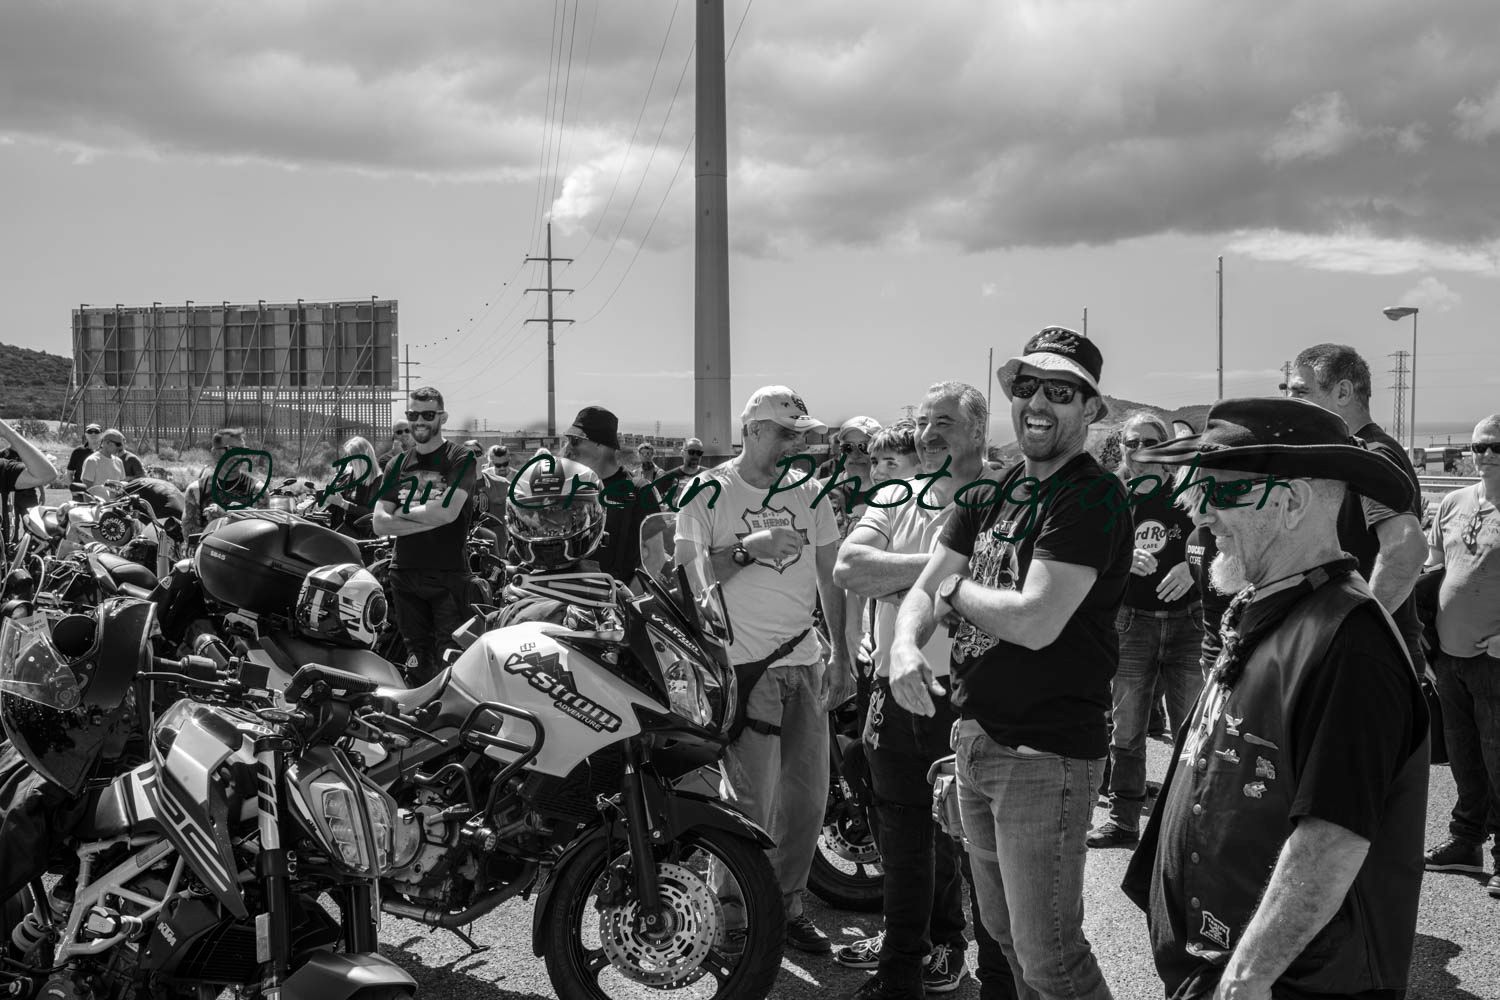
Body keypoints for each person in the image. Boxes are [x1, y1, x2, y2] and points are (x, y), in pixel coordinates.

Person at [1121, 396, 1429, 1000]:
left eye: (1218, 494)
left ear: (1289, 503)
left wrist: (1247, 976)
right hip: (1217, 963)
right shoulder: (1273, 604)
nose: (1199, 516)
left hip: (1290, 983)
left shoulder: (1350, 642)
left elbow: (1330, 841)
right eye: (1195, 494)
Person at [891, 326, 1127, 1000]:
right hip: (976, 741)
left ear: (1089, 409)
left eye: (1060, 390)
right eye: (1026, 387)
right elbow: (920, 591)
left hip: (1045, 757)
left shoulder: (1091, 496)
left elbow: (1035, 621)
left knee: (1051, 955)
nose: (1038, 403)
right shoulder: (988, 493)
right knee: (1004, 936)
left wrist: (950, 590)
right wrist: (907, 645)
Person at [833, 383, 1013, 1000]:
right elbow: (850, 570)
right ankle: (901, 972)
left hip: (973, 697)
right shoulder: (893, 493)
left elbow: (1013, 595)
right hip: (894, 687)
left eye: (946, 422)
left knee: (981, 854)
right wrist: (945, 573)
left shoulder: (1007, 497)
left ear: (978, 432)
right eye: (923, 422)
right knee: (902, 841)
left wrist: (903, 577)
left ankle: (995, 980)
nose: (929, 434)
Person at [675, 385, 851, 954]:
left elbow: (833, 578)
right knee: (752, 803)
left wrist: (843, 654)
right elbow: (687, 580)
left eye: (801, 434)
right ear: (752, 430)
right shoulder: (709, 491)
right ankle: (731, 919)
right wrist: (751, 547)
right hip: (745, 669)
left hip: (805, 663)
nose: (794, 444)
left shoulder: (813, 494)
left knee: (807, 801)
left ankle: (788, 906)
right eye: (784, 432)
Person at [1089, 411, 1204, 849]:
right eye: (1131, 442)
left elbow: (1216, 535)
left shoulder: (1188, 488)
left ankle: (1185, 824)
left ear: (1165, 444)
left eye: (1149, 441)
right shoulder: (1111, 492)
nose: (1139, 450)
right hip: (1131, 621)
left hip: (1188, 623)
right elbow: (1087, 551)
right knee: (1128, 729)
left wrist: (1190, 566)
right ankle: (1123, 820)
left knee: (1191, 729)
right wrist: (1122, 557)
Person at [1284, 344, 1427, 671]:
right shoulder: (1350, 453)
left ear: (1343, 392)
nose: (1291, 403)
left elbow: (1407, 549)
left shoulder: (1369, 455)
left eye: (1301, 392)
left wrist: (1358, 628)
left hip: (1368, 660)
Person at [1421, 413, 1500, 895]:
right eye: (1479, 447)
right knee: (1464, 758)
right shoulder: (1452, 502)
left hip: (1495, 660)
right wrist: (1425, 635)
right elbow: (1434, 570)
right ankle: (1466, 843)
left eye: (1496, 446)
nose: (1486, 454)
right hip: (1450, 658)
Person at [372, 386, 478, 683]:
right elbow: (379, 523)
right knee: (416, 661)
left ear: (442, 417)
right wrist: (430, 515)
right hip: (404, 571)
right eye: (413, 414)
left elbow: (448, 512)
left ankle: (450, 725)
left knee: (451, 661)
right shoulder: (397, 464)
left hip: (448, 575)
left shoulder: (461, 458)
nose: (419, 421)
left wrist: (401, 512)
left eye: (427, 414)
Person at [563, 405, 662, 587]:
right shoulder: (569, 486)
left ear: (599, 445)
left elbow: (655, 556)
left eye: (575, 441)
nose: (568, 447)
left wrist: (627, 601)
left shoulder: (638, 491)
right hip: (568, 599)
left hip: (614, 604)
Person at [659, 437, 708, 507]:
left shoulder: (709, 475)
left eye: (699, 453)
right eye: (691, 452)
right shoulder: (668, 477)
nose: (695, 456)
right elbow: (661, 505)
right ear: (682, 453)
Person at [79, 428, 128, 497]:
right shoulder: (92, 461)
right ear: (107, 443)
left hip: (116, 505)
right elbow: (88, 491)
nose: (120, 448)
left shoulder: (119, 462)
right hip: (98, 506)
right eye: (118, 444)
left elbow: (122, 486)